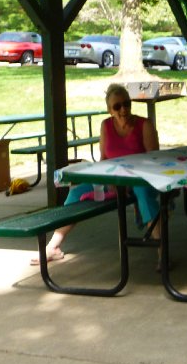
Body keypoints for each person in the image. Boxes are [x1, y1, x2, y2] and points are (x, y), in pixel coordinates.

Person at [40, 83, 160, 264]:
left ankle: (162, 252)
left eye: (126, 104)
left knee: (143, 193)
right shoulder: (106, 126)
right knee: (75, 192)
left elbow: (154, 160)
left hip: (140, 179)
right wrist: (108, 180)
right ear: (109, 110)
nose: (123, 109)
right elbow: (103, 159)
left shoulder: (144, 124)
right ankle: (53, 246)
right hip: (113, 179)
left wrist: (128, 181)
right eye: (117, 106)